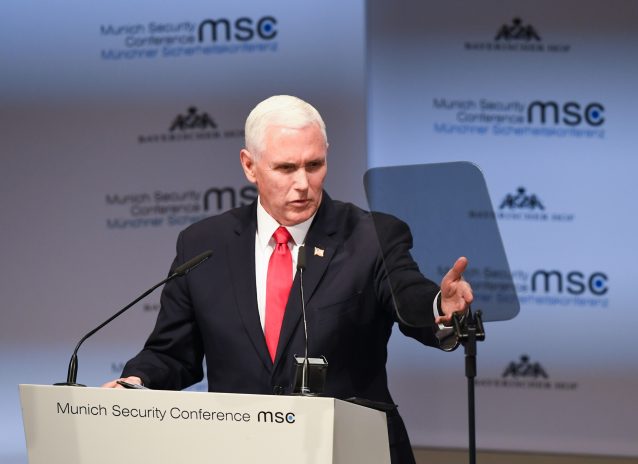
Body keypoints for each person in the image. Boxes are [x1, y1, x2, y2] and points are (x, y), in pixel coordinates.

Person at [104, 95, 473, 463]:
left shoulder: (371, 236)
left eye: (314, 165)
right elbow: (172, 352)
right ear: (250, 166)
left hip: (347, 451)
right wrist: (137, 382)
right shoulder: (204, 245)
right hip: (239, 451)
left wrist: (439, 306)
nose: (303, 183)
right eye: (285, 168)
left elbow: (407, 294)